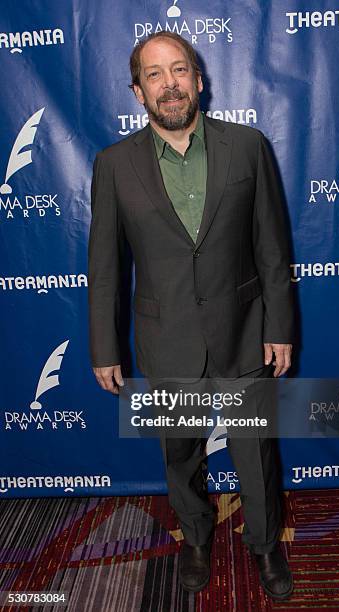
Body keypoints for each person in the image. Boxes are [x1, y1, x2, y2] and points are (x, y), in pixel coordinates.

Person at [88, 32, 294, 600]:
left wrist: (278, 328)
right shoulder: (112, 165)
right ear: (137, 90)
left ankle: (265, 544)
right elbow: (104, 265)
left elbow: (273, 249)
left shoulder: (248, 146)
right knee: (180, 454)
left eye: (179, 70)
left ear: (199, 80)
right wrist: (104, 346)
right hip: (166, 338)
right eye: (154, 75)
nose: (169, 83)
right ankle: (196, 539)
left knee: (256, 454)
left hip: (245, 332)